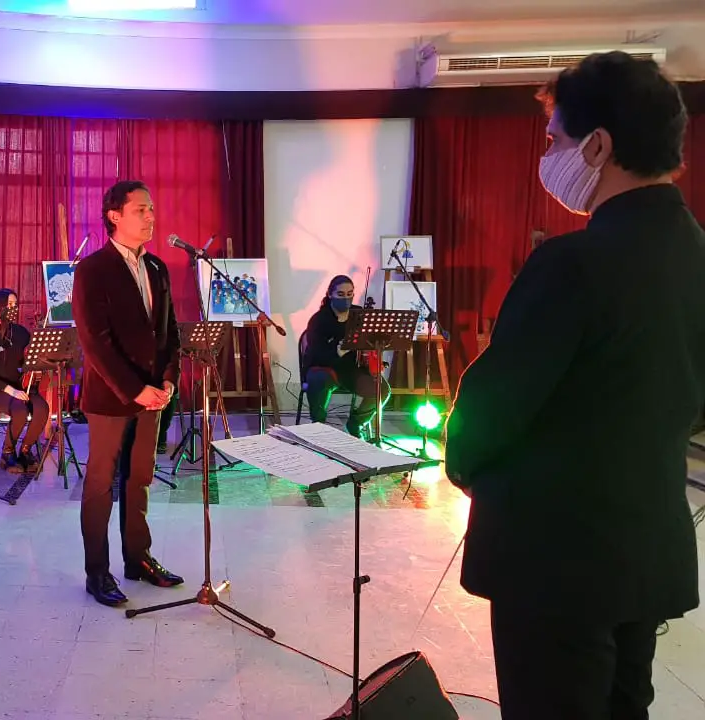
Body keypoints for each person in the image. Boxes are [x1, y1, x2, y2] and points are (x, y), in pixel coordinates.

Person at [445, 51, 704, 720]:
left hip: (555, 559)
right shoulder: (697, 256)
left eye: (554, 139)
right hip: (647, 541)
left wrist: (463, 463)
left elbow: (494, 404)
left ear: (598, 146)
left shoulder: (574, 263)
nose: (548, 155)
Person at [73, 180, 183, 607]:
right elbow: (95, 343)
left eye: (151, 208)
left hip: (153, 396)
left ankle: (138, 558)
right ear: (114, 215)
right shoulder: (92, 269)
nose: (151, 216)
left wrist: (168, 379)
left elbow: (169, 332)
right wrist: (135, 390)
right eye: (141, 209)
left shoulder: (157, 267)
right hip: (112, 397)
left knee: (140, 479)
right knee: (100, 485)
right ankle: (97, 572)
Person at [301, 275, 389, 438]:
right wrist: (337, 352)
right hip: (324, 367)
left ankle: (356, 423)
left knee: (382, 389)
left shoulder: (359, 314)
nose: (346, 298)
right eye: (340, 294)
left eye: (350, 294)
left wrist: (372, 357)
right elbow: (316, 353)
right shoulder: (319, 319)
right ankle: (318, 427)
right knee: (318, 379)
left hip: (351, 369)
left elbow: (369, 342)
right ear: (330, 294)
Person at [0, 288, 49, 473]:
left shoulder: (20, 332)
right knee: (20, 409)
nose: (14, 308)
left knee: (42, 408)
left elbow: (31, 357)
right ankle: (8, 453)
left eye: (16, 305)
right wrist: (10, 390)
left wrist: (37, 362)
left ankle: (25, 450)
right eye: (10, 305)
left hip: (20, 385)